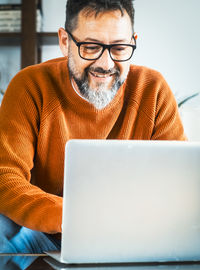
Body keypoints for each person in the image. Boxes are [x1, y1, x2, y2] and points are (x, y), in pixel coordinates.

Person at [0, 0, 186, 253]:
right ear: (65, 42)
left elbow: (177, 182)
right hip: (45, 233)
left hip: (131, 234)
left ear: (133, 41)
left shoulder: (152, 89)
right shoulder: (29, 86)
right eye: (91, 47)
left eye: (119, 48)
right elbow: (5, 177)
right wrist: (74, 218)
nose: (106, 64)